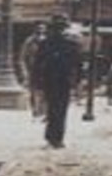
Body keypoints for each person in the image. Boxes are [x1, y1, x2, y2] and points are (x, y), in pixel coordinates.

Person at [34, 14, 82, 149]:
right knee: (57, 109)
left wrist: (77, 80)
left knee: (56, 109)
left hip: (60, 80)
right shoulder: (48, 44)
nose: (58, 31)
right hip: (54, 80)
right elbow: (38, 64)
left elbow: (77, 65)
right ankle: (55, 137)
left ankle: (54, 137)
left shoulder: (69, 45)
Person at [20, 23, 46, 119]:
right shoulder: (29, 42)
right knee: (33, 90)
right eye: (39, 29)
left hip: (44, 69)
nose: (40, 31)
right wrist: (24, 71)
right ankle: (35, 110)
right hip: (33, 69)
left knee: (44, 91)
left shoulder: (46, 40)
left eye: (42, 29)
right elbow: (23, 57)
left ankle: (42, 110)